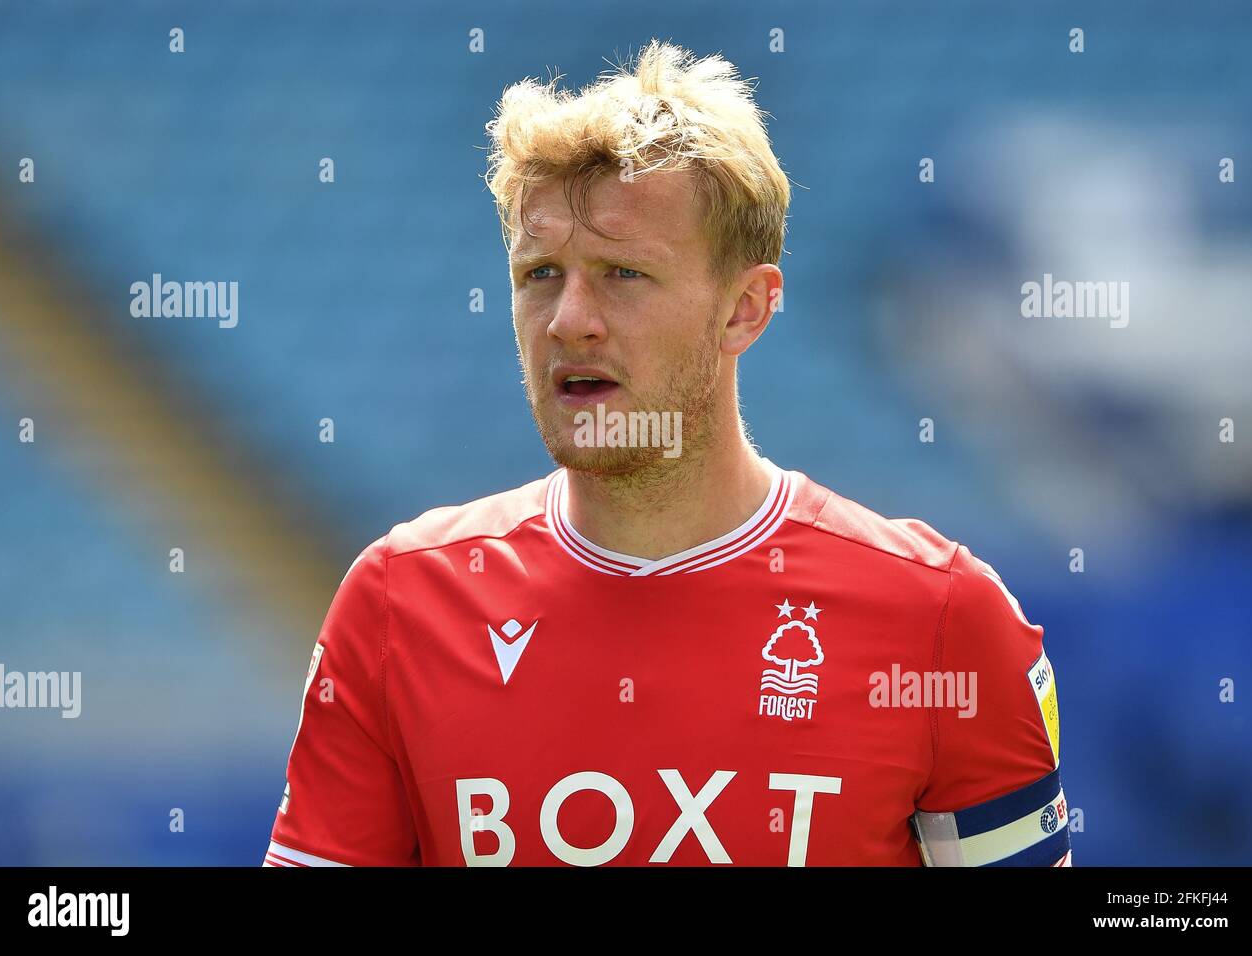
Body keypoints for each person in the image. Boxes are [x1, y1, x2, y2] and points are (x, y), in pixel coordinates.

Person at [263, 39, 1070, 867]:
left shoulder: (942, 622)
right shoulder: (399, 605)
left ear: (745, 311)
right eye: (540, 273)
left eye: (622, 273)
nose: (570, 319)